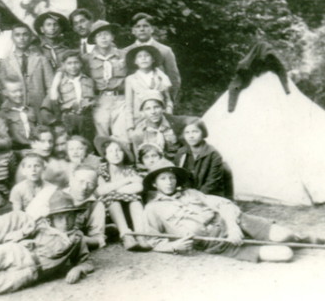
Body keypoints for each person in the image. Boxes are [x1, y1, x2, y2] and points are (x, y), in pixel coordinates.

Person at [142, 159, 325, 262]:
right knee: (285, 254)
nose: (169, 182)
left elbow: (224, 205)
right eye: (163, 179)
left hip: (236, 223)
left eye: (171, 178)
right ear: (154, 183)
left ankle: (305, 238)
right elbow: (153, 240)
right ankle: (275, 244)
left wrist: (232, 226)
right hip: (216, 243)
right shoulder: (153, 209)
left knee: (284, 236)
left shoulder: (192, 193)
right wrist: (174, 247)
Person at [94, 136, 145, 250]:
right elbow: (101, 191)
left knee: (135, 200)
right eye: (110, 151)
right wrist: (126, 181)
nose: (115, 154)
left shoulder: (129, 169)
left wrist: (113, 189)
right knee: (112, 198)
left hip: (128, 211)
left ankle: (141, 235)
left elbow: (139, 186)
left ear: (124, 153)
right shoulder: (102, 169)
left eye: (119, 150)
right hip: (110, 212)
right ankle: (126, 235)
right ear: (105, 155)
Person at [82, 20, 128, 143]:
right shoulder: (87, 59)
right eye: (99, 35)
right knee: (101, 135)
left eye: (106, 34)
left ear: (112, 37)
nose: (103, 37)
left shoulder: (124, 55)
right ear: (94, 40)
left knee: (121, 134)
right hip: (100, 100)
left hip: (121, 99)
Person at [0, 22, 54, 113]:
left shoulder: (41, 59)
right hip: (15, 112)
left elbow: (51, 87)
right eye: (17, 35)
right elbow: (2, 89)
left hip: (39, 109)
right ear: (12, 38)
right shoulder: (5, 62)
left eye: (25, 35)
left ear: (31, 37)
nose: (21, 38)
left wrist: (45, 107)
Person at [122, 13, 181, 100]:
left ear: (152, 29)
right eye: (138, 26)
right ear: (133, 31)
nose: (142, 29)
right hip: (134, 99)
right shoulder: (125, 52)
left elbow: (174, 79)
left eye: (145, 26)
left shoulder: (165, 51)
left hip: (158, 100)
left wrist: (169, 101)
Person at [41, 51, 95, 143]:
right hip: (68, 118)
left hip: (86, 118)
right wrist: (57, 123)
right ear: (63, 65)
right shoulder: (59, 84)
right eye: (69, 63)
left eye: (76, 62)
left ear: (81, 64)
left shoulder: (89, 80)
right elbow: (46, 107)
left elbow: (94, 98)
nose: (73, 66)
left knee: (87, 142)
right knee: (69, 143)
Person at [130, 90, 192, 161]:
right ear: (142, 112)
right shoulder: (138, 134)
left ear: (163, 108)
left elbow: (188, 150)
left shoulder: (175, 124)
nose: (153, 112)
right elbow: (140, 162)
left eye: (156, 107)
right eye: (148, 109)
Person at [124, 44, 173, 131]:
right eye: (139, 56)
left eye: (147, 56)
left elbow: (168, 100)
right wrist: (130, 126)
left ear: (153, 59)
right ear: (135, 61)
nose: (143, 58)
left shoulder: (161, 78)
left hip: (160, 119)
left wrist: (168, 116)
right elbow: (129, 105)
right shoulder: (131, 79)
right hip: (140, 120)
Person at [175, 119, 227, 197]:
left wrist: (196, 197)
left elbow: (212, 183)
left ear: (203, 133)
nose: (191, 136)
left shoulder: (213, 154)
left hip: (209, 195)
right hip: (187, 194)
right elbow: (179, 177)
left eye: (195, 132)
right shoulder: (181, 152)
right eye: (187, 133)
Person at [0, 77, 38, 149]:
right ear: (5, 92)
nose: (19, 94)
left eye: (20, 90)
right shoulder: (3, 114)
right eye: (14, 92)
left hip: (34, 148)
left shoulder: (30, 109)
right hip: (18, 151)